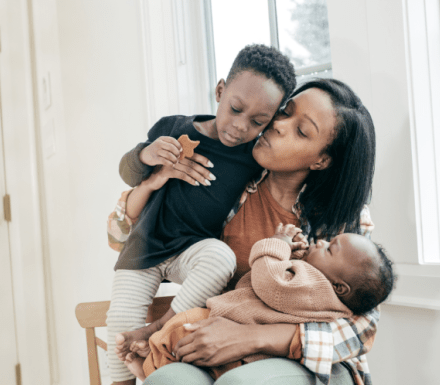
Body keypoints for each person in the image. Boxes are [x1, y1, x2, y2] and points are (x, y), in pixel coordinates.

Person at [111, 78, 379, 385]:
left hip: (308, 361)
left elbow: (365, 326)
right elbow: (120, 238)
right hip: (218, 349)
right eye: (284, 112)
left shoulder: (343, 218)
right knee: (168, 380)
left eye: (302, 131)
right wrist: (150, 183)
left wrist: (253, 337)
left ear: (322, 159)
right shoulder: (230, 177)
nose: (278, 125)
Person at [106, 44, 297, 385]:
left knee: (220, 257)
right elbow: (127, 170)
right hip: (144, 247)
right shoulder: (174, 126)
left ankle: (161, 327)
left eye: (258, 122)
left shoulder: (254, 158)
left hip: (192, 251)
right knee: (120, 322)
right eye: (235, 109)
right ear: (220, 90)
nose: (240, 126)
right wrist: (148, 155)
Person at [123, 224, 395, 382]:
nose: (321, 241)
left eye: (330, 247)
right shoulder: (323, 290)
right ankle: (152, 368)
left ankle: (150, 363)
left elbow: (270, 283)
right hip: (243, 343)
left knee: (182, 328)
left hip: (279, 350)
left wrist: (276, 245)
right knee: (175, 371)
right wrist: (299, 257)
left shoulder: (317, 286)